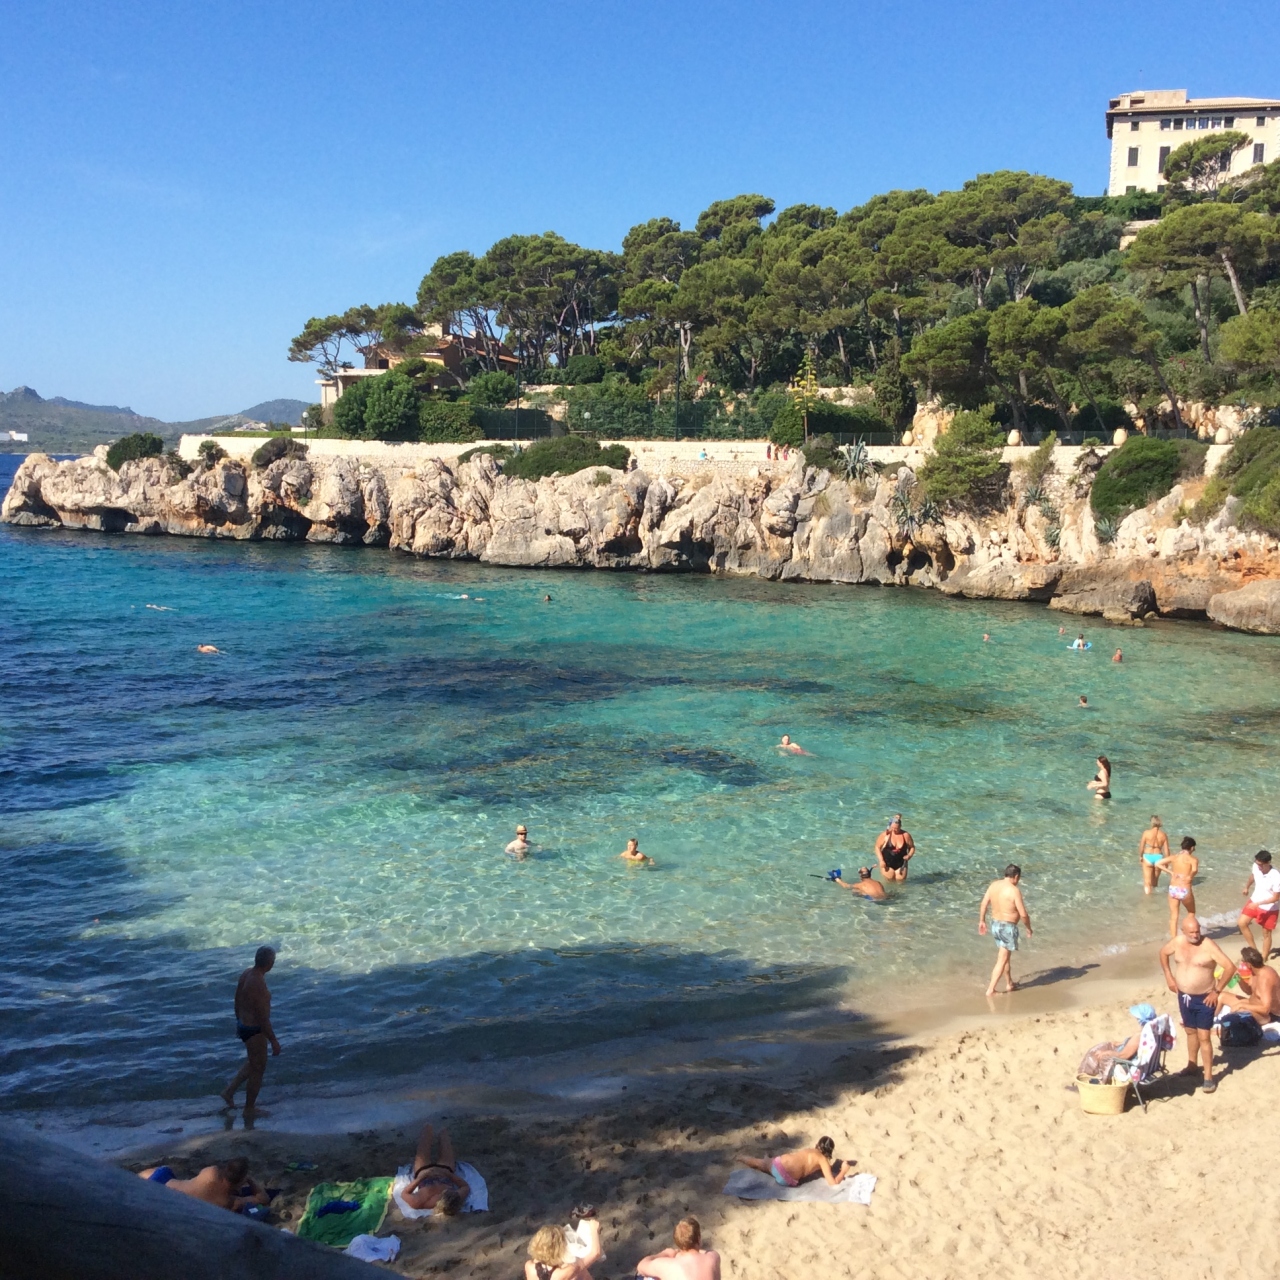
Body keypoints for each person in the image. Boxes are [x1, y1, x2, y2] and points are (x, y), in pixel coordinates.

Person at [1160, 914, 1235, 1092]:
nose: (1195, 935)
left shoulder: (1208, 945)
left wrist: (1217, 991)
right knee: (1190, 1031)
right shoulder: (1178, 942)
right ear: (1183, 931)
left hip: (1205, 998)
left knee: (1204, 1036)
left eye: (1198, 931)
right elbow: (1163, 953)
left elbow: (1230, 967)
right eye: (1192, 932)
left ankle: (1208, 1076)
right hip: (1184, 996)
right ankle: (1192, 1065)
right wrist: (1169, 977)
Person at [220, 946, 280, 1113]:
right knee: (259, 1069)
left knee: (253, 1063)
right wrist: (274, 1040)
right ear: (269, 963)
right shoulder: (258, 983)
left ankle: (229, 1092)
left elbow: (237, 999)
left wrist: (238, 1021)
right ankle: (249, 1108)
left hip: (244, 1025)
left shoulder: (247, 973)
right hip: (255, 1029)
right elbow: (263, 1018)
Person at [137, 1157, 268, 1213]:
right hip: (168, 1199)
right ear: (240, 1181)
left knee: (153, 1173)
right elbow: (263, 1199)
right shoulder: (227, 1202)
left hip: (163, 1182)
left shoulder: (211, 1172)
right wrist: (250, 1180)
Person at [978, 864, 1032, 995]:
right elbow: (1023, 914)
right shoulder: (1014, 891)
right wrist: (1028, 928)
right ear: (1016, 876)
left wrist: (982, 921)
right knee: (1002, 959)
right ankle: (991, 989)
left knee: (1005, 955)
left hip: (995, 924)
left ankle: (1009, 983)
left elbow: (984, 903)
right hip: (1007, 927)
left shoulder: (994, 885)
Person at [1077, 1003, 1158, 1081]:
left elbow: (1123, 1056)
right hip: (1139, 1062)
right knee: (1103, 1046)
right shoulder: (1153, 1032)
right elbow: (1134, 1047)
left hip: (1126, 1066)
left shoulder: (1139, 1036)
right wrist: (1121, 1043)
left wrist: (1106, 1053)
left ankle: (1087, 1080)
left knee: (1094, 1055)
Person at [401, 1121, 470, 1214]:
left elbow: (404, 1193)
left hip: (425, 1172)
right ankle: (437, 1126)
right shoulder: (455, 1198)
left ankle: (429, 1124)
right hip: (444, 1171)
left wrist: (422, 1177)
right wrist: (449, 1175)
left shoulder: (420, 1202)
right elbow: (465, 1186)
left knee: (426, 1135)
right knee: (443, 1136)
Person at [736, 1136, 852, 1188]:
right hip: (786, 1178)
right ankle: (764, 1161)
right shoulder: (823, 1160)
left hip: (778, 1164)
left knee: (761, 1163)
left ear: (818, 1145)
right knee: (765, 1164)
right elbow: (833, 1182)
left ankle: (742, 1158)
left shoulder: (810, 1150)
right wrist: (844, 1171)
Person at [635, 1217, 720, 1280]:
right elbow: (705, 1253)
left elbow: (641, 1266)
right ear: (698, 1238)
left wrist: (665, 1253)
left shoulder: (668, 1265)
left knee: (645, 1277)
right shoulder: (713, 1257)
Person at [525, 1213, 603, 1280]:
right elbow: (595, 1253)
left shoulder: (529, 1266)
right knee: (581, 1272)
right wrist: (594, 1229)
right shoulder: (563, 1273)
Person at [1216, 947, 1280, 1028]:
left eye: (1243, 962)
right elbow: (1249, 991)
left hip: (1269, 1015)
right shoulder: (1255, 972)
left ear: (1249, 964)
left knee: (1240, 1011)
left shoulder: (1265, 978)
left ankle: (1222, 1029)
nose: (1242, 964)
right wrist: (1240, 980)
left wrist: (1243, 1006)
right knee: (1221, 996)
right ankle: (1211, 1022)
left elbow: (1265, 1009)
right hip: (1253, 1004)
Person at [1238, 850, 1280, 962]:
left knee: (1266, 933)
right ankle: (1254, 949)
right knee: (1242, 923)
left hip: (1270, 908)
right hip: (1254, 900)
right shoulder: (1256, 866)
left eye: (1261, 865)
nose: (1258, 866)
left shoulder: (1276, 876)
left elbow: (1276, 897)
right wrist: (1246, 887)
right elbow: (1253, 876)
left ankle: (1264, 957)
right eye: (1257, 864)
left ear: (1268, 862)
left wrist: (1258, 904)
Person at [1156, 837, 1198, 938]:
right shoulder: (1193, 859)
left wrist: (1171, 872)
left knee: (1174, 916)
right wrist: (1190, 876)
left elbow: (1157, 863)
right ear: (1191, 848)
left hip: (1173, 889)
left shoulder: (1174, 857)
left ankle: (1174, 940)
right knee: (1191, 912)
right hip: (1184, 889)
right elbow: (1195, 870)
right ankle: (1190, 934)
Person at [874, 814, 915, 882]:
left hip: (901, 863)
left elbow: (912, 847)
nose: (894, 830)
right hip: (887, 863)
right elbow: (877, 847)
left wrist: (909, 855)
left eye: (896, 828)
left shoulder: (906, 835)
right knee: (889, 881)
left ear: (900, 827)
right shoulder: (885, 835)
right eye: (892, 828)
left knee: (900, 882)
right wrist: (881, 860)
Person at [1138, 816, 1170, 895]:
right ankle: (1155, 899)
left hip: (1148, 856)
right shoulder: (1163, 835)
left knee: (1147, 883)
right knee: (1155, 882)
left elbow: (1141, 847)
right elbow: (1166, 850)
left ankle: (1148, 900)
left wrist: (1141, 856)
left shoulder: (1146, 833)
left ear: (1151, 823)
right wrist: (1167, 862)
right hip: (1158, 857)